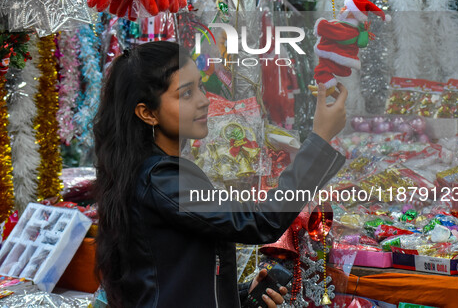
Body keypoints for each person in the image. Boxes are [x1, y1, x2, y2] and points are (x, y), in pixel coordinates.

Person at [93, 41, 347, 308]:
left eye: (200, 87)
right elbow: (262, 220)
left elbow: (174, 277)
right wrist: (320, 138)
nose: (204, 101)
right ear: (147, 113)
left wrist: (238, 295)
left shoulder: (154, 173)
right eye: (186, 94)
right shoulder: (160, 179)